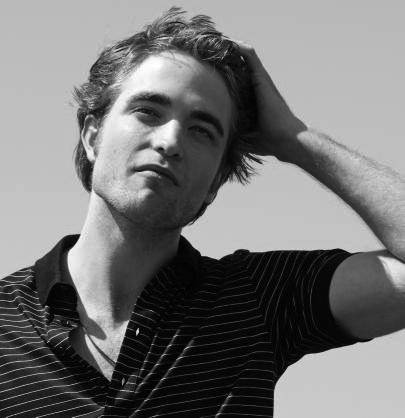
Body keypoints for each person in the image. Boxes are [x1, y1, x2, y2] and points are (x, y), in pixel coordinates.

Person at [0, 6, 404, 417]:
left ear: (216, 182)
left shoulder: (255, 301)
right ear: (92, 136)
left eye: (201, 130)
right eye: (148, 111)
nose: (170, 140)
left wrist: (294, 138)